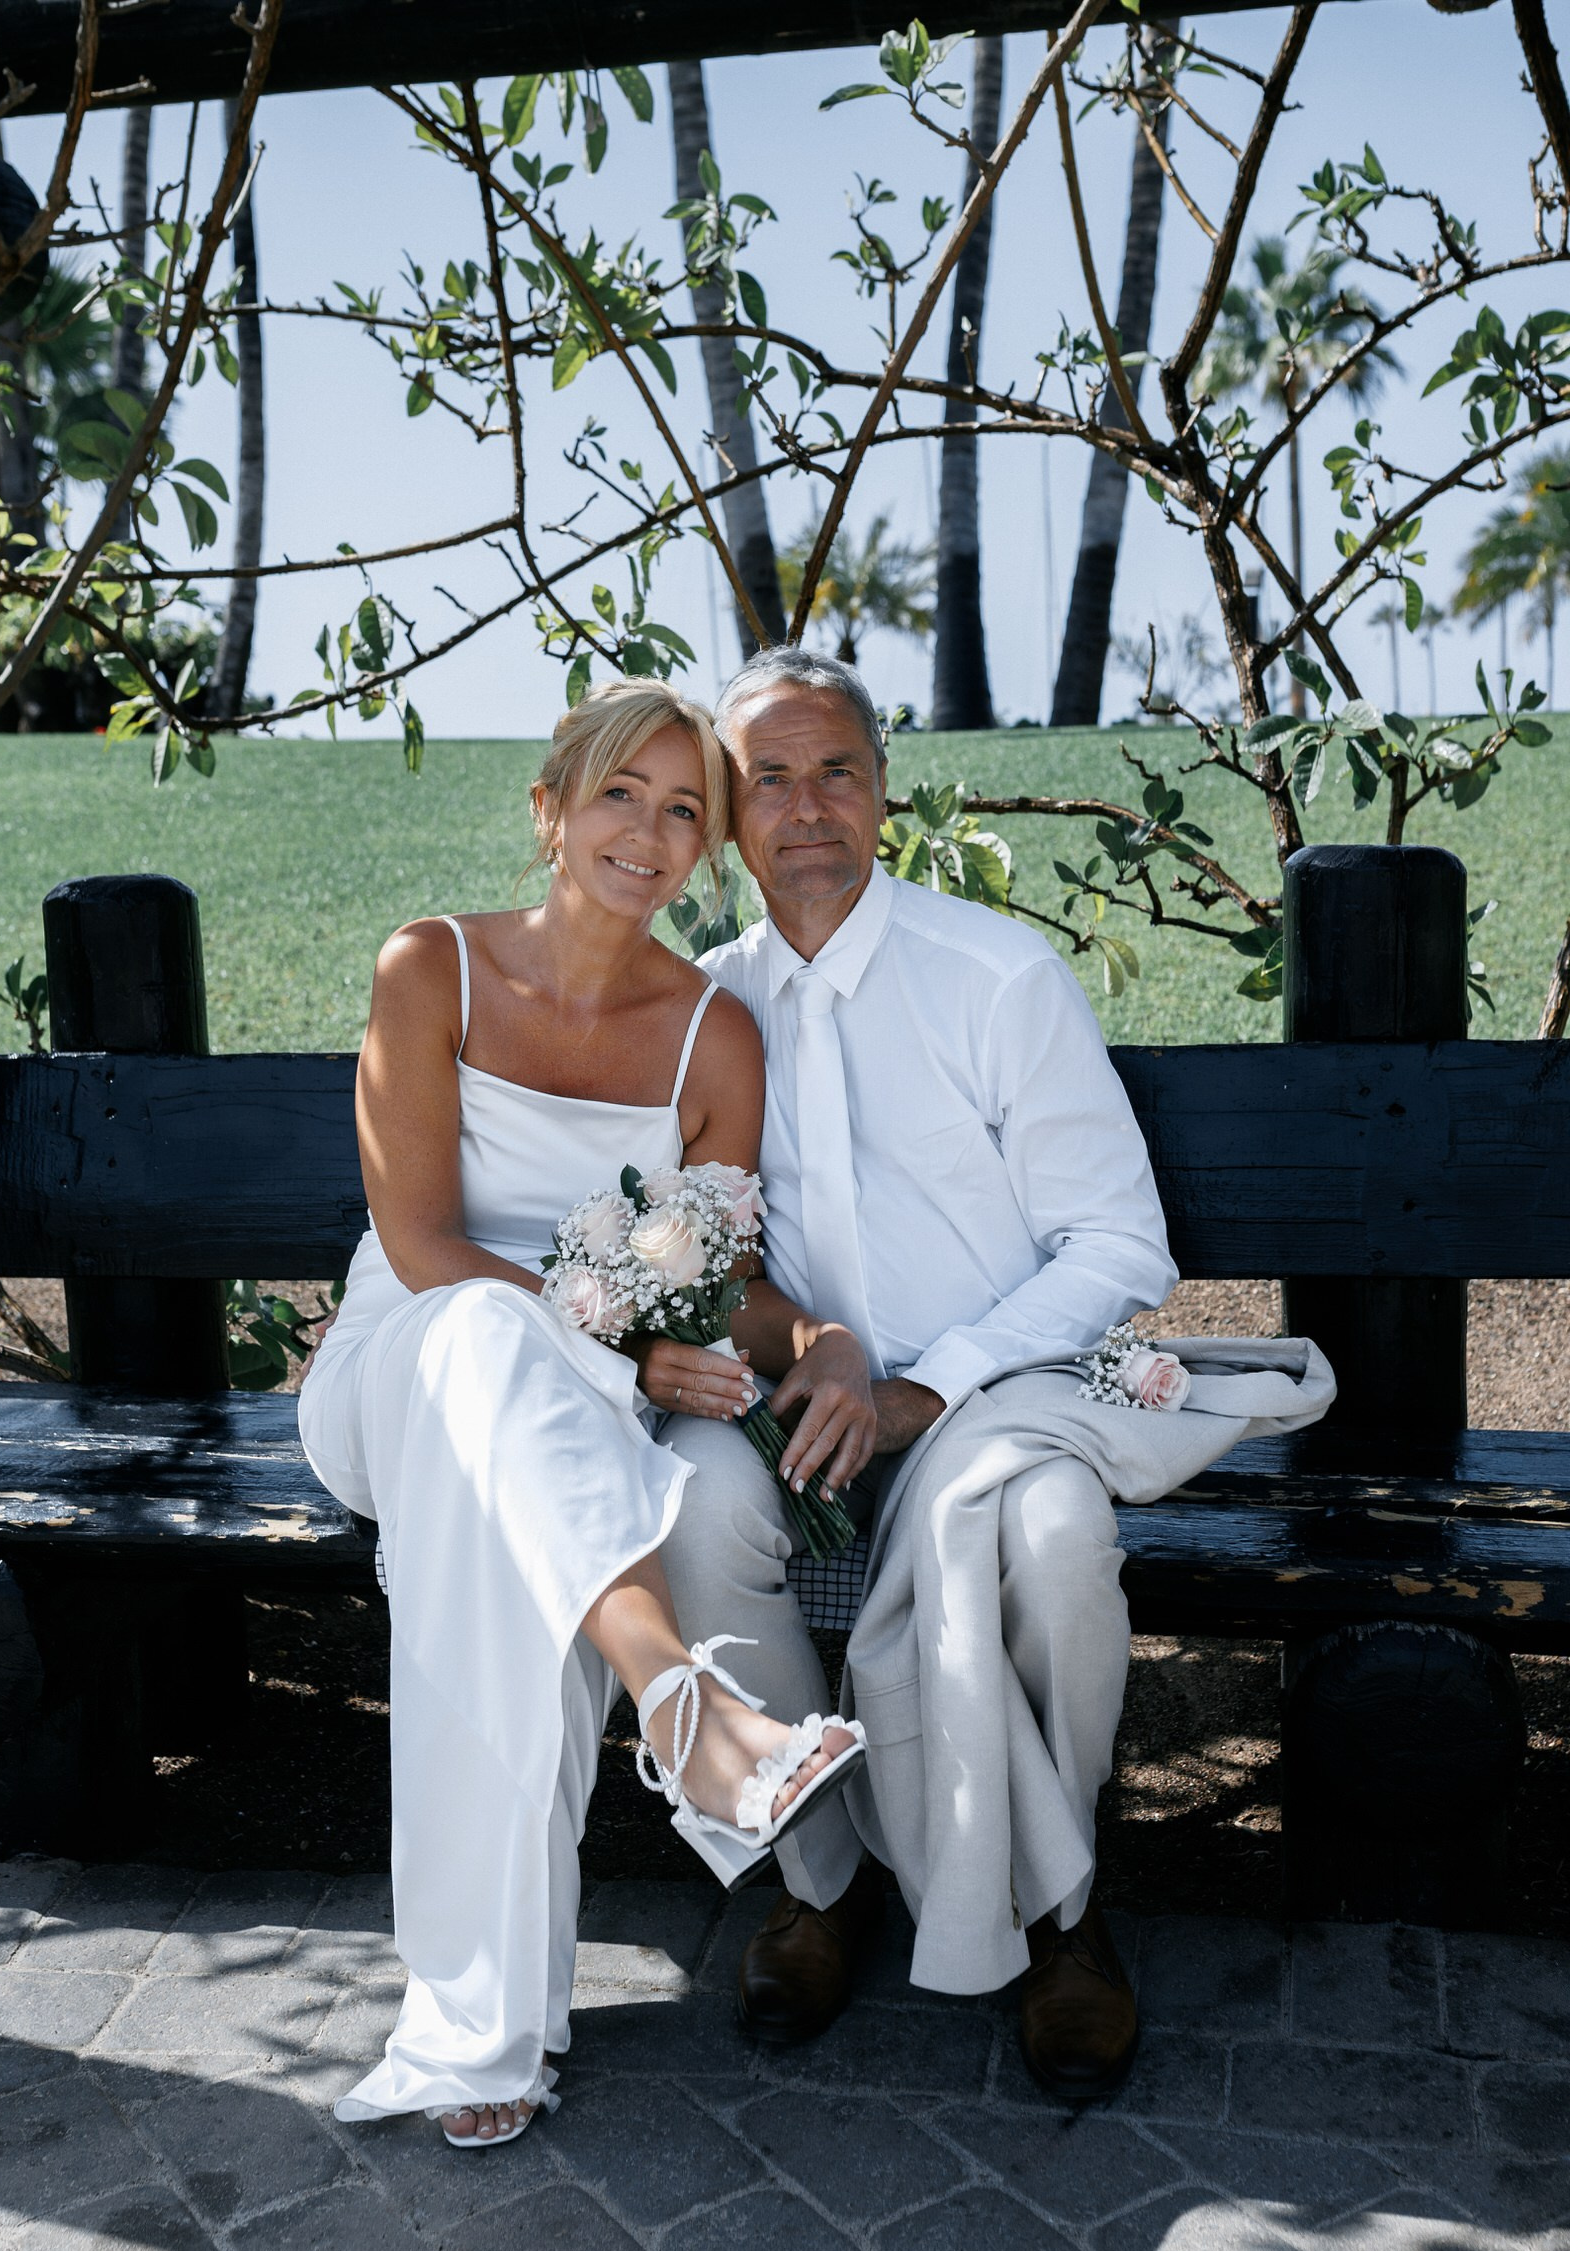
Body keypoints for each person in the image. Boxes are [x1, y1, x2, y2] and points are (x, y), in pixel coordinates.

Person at [299, 678, 865, 2148]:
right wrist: (614, 1365)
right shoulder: (433, 969)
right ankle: (685, 1705)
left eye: (686, 808)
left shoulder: (710, 1040)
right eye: (622, 793)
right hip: (394, 1375)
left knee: (509, 1557)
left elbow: (723, 1277)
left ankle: (487, 2034)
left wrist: (817, 1336)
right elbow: (423, 1247)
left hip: (553, 1434)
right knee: (487, 1339)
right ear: (552, 811)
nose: (653, 832)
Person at [658, 646, 1179, 2099]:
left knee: (1059, 1540)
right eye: (771, 775)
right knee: (690, 1508)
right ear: (726, 807)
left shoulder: (996, 976)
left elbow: (1118, 1243)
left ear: (885, 794)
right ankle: (823, 1876)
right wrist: (775, 1354)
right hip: (798, 1407)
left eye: (839, 770)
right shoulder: (705, 1011)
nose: (807, 804)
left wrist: (930, 1382)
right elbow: (697, 1252)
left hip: (1003, 1391)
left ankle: (1062, 1911)